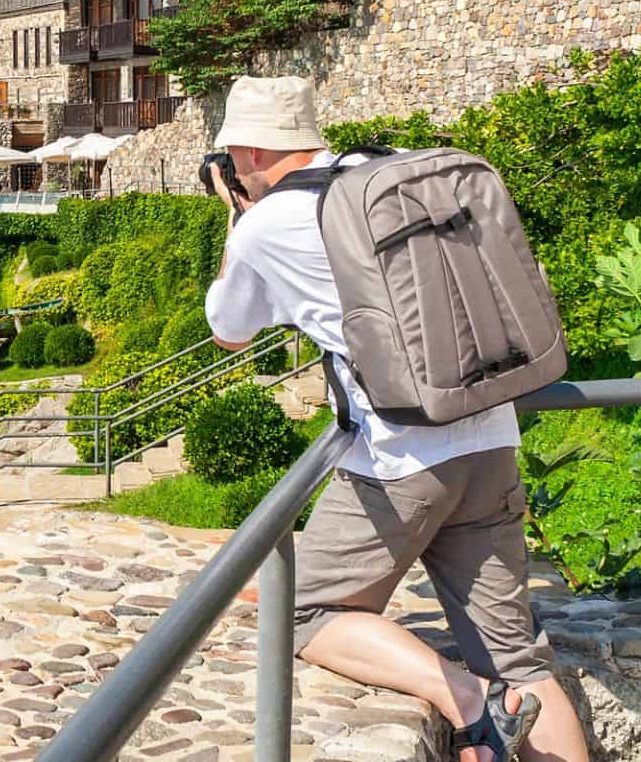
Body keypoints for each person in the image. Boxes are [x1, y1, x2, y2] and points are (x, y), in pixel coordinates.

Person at [200, 76, 587, 762]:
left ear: (250, 151)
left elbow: (229, 328)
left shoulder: (266, 224)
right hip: (490, 431)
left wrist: (235, 218)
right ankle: (505, 695)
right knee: (520, 660)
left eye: (233, 159)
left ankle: (471, 701)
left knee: (297, 612)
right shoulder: (390, 167)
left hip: (401, 457)